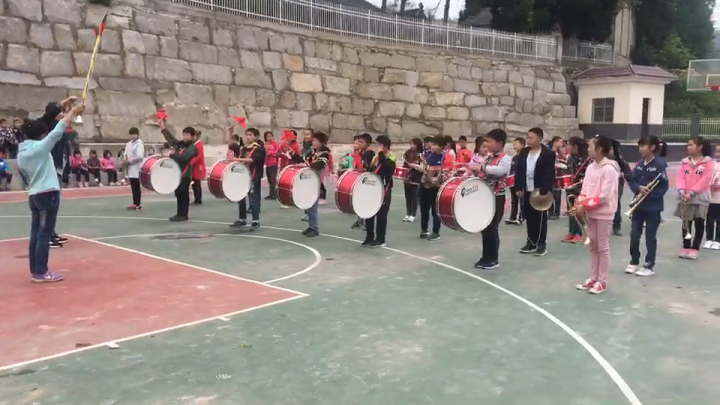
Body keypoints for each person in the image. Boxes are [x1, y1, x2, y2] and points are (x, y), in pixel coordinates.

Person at [17, 105, 84, 282]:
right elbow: (58, 130)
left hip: (34, 195)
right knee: (44, 233)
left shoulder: (22, 152)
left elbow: (50, 126)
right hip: (47, 193)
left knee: (36, 233)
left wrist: (68, 110)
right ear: (41, 135)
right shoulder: (40, 148)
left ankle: (36, 270)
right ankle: (41, 272)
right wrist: (72, 112)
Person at [574, 135, 620, 295]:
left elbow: (604, 197)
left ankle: (602, 281)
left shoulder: (610, 169)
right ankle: (594, 278)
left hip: (604, 214)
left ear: (599, 149)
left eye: (590, 147)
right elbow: (585, 189)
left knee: (603, 247)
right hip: (591, 212)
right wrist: (580, 201)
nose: (588, 149)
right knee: (593, 246)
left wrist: (583, 205)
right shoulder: (590, 167)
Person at [625, 136, 669, 276]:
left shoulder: (660, 165)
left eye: (643, 146)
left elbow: (664, 186)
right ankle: (634, 261)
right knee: (634, 235)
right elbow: (632, 180)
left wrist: (649, 194)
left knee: (650, 236)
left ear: (652, 147)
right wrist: (638, 188)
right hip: (638, 207)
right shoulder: (639, 164)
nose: (640, 149)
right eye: (640, 146)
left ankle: (649, 264)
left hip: (653, 207)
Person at [472, 129, 511, 270]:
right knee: (485, 227)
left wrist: (482, 168)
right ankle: (486, 256)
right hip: (486, 196)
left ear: (500, 143)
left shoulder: (505, 159)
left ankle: (493, 259)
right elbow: (483, 171)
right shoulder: (489, 157)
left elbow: (500, 171)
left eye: (490, 141)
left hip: (497, 197)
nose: (487, 144)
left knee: (492, 227)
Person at [514, 127, 555, 256]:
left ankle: (541, 244)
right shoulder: (524, 152)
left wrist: (544, 190)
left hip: (540, 191)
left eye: (531, 138)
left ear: (539, 138)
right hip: (526, 189)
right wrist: (518, 187)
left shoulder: (547, 154)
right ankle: (531, 242)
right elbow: (519, 170)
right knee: (529, 216)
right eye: (528, 137)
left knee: (540, 218)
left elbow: (549, 173)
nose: (528, 140)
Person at [675, 136, 715, 260]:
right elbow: (680, 177)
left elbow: (705, 180)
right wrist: (682, 190)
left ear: (700, 147)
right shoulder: (684, 162)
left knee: (699, 223)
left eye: (691, 145)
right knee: (686, 224)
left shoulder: (708, 163)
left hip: (700, 198)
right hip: (685, 198)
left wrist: (692, 192)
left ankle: (695, 248)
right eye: (688, 145)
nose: (688, 147)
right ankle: (686, 247)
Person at [159, 119, 199, 222]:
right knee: (178, 193)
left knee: (183, 193)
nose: (184, 136)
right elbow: (171, 139)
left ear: (192, 136)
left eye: (187, 135)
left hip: (185, 174)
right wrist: (163, 129)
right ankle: (179, 213)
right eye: (183, 134)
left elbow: (184, 157)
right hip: (177, 173)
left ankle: (184, 214)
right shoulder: (180, 144)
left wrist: (171, 155)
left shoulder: (192, 148)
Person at [409, 135, 446, 241]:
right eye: (432, 144)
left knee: (435, 211)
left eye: (435, 145)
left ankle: (436, 232)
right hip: (424, 185)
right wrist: (416, 166)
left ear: (441, 146)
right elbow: (423, 168)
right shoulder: (427, 155)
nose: (432, 147)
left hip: (436, 187)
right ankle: (424, 229)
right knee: (424, 209)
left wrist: (436, 176)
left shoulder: (444, 157)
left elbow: (446, 172)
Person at [363, 135, 396, 247]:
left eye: (379, 144)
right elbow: (371, 169)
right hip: (373, 187)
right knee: (369, 213)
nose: (377, 147)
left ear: (385, 146)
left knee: (382, 214)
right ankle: (369, 237)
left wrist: (381, 156)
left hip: (384, 188)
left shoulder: (391, 157)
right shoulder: (376, 157)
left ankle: (380, 239)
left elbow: (388, 169)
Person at [230, 128, 266, 231]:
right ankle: (242, 219)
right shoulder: (244, 148)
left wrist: (237, 159)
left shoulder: (259, 149)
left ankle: (255, 221)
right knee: (240, 197)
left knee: (253, 199)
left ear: (256, 136)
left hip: (254, 176)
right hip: (243, 176)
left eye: (250, 135)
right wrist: (230, 132)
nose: (248, 137)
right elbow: (231, 145)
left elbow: (252, 160)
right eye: (247, 135)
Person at [297, 131, 330, 237]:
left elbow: (320, 164)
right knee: (309, 206)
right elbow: (302, 159)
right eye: (313, 140)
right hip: (309, 181)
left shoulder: (325, 154)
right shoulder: (312, 152)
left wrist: (308, 164)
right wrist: (292, 153)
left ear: (322, 142)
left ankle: (315, 228)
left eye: (316, 141)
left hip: (316, 182)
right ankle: (311, 226)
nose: (313, 142)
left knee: (313, 206)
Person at [562, 137, 590, 243]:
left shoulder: (586, 159)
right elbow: (568, 170)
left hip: (581, 188)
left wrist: (582, 179)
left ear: (575, 146)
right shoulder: (570, 158)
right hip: (570, 187)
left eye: (568, 145)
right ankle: (571, 232)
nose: (567, 147)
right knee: (571, 210)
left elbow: (588, 174)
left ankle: (579, 233)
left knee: (578, 210)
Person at [350, 133, 375, 230]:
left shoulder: (371, 154)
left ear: (368, 143)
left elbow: (367, 167)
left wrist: (360, 163)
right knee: (358, 200)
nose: (359, 144)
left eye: (362, 142)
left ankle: (366, 221)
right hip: (359, 178)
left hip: (367, 179)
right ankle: (360, 220)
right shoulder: (360, 153)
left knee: (366, 201)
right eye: (358, 142)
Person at [402, 138, 423, 222]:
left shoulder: (420, 154)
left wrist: (414, 165)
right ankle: (408, 213)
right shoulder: (407, 152)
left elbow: (421, 167)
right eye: (411, 143)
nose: (412, 145)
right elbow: (404, 163)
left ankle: (413, 214)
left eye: (414, 144)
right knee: (407, 197)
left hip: (416, 178)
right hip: (407, 177)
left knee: (414, 197)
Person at [506, 137, 526, 225]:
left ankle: (521, 217)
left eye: (516, 144)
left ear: (522, 145)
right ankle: (512, 217)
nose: (514, 146)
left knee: (522, 200)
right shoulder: (514, 158)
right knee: (514, 200)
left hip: (521, 182)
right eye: (513, 144)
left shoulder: (525, 157)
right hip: (513, 182)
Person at [124, 127, 145, 210]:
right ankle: (134, 202)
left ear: (137, 135)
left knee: (136, 186)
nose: (132, 136)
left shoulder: (139, 144)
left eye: (134, 134)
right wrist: (125, 159)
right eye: (131, 134)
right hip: (130, 168)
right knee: (133, 186)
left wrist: (131, 161)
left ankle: (138, 203)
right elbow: (126, 153)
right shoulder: (128, 144)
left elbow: (139, 156)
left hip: (137, 167)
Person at [705, 143, 720, 250]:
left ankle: (718, 240)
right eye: (717, 151)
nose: (718, 154)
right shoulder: (711, 164)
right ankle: (709, 239)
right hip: (710, 197)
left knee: (719, 220)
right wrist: (709, 184)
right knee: (709, 219)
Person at [548, 136, 565, 220]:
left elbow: (563, 161)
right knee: (550, 195)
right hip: (550, 176)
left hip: (558, 176)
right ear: (555, 142)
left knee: (557, 195)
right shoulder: (548, 151)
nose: (562, 144)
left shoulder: (560, 153)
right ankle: (550, 212)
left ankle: (557, 212)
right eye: (560, 142)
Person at [189, 130, 206, 205]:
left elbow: (199, 156)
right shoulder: (195, 144)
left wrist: (190, 162)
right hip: (195, 166)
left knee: (197, 183)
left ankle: (198, 199)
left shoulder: (199, 144)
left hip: (198, 166)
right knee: (194, 183)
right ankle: (196, 198)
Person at [264, 131, 279, 200]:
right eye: (268, 136)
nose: (269, 138)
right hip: (268, 164)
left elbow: (277, 152)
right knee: (269, 179)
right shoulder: (265, 144)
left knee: (273, 179)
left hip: (274, 164)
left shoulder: (275, 144)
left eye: (270, 136)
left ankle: (273, 194)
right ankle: (271, 193)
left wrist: (270, 152)